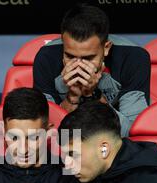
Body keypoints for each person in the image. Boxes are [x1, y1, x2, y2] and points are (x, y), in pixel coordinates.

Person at [33, 3, 150, 137]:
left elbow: (131, 132)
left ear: (106, 48)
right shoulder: (47, 58)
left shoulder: (133, 58)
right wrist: (72, 97)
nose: (78, 66)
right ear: (63, 46)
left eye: (88, 58)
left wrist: (93, 95)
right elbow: (46, 132)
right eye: (70, 56)